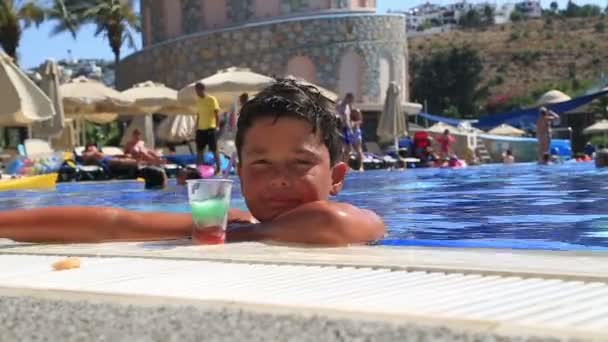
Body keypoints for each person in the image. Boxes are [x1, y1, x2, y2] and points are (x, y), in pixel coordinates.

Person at [0, 79, 385, 247]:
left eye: (300, 162)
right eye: (262, 164)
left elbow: (330, 224)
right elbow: (117, 223)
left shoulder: (359, 218)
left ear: (336, 177)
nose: (280, 179)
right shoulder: (235, 221)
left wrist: (227, 239)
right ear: (239, 173)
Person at [194, 82, 222, 175]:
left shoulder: (211, 99)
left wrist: (217, 126)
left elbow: (216, 113)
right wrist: (196, 126)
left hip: (210, 127)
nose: (196, 92)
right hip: (201, 129)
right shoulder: (198, 101)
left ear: (202, 89)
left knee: (214, 149)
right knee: (199, 150)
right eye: (196, 90)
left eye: (197, 90)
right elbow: (198, 115)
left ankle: (218, 168)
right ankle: (199, 169)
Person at [336, 93, 354, 163]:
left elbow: (348, 118)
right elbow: (343, 118)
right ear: (347, 98)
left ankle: (345, 163)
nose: (350, 102)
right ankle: (341, 162)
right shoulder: (340, 105)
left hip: (346, 128)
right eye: (350, 100)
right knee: (342, 147)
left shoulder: (347, 106)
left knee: (349, 148)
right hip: (341, 128)